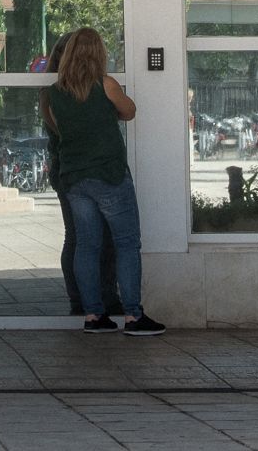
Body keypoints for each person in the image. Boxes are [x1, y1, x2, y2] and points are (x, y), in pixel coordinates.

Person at [44, 27, 165, 337]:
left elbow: (60, 131)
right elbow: (130, 111)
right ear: (98, 54)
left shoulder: (54, 94)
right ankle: (134, 316)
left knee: (86, 244)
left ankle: (93, 315)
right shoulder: (106, 85)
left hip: (75, 178)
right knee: (126, 244)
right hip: (109, 176)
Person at [45, 31, 120, 317]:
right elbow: (63, 130)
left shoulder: (77, 88)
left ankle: (95, 299)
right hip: (74, 168)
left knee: (92, 236)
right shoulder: (56, 90)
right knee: (82, 236)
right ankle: (87, 300)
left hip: (77, 168)